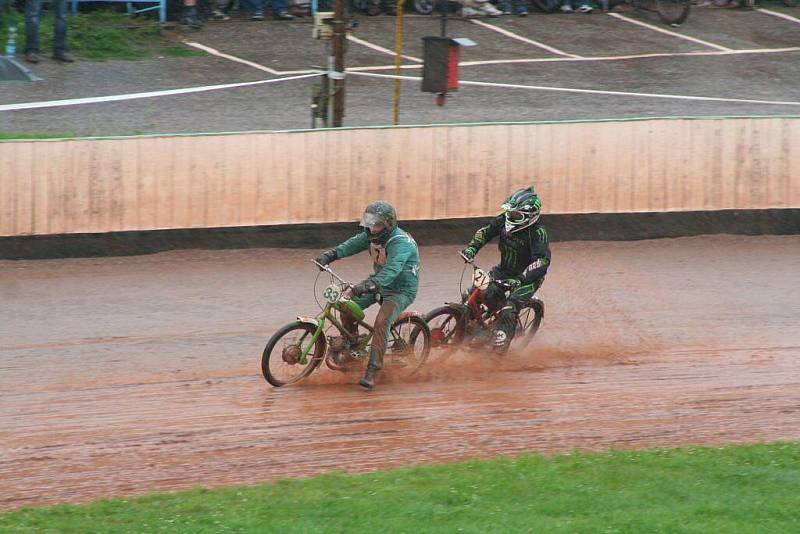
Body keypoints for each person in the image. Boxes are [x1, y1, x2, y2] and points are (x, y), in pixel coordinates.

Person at [315, 201, 420, 389]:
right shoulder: (370, 236)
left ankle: (373, 369)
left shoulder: (400, 243)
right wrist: (330, 255)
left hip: (400, 290)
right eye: (369, 223)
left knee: (381, 322)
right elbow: (350, 245)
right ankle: (352, 344)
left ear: (388, 225)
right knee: (347, 305)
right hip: (378, 282)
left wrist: (368, 285)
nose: (372, 229)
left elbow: (392, 271)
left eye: (376, 224)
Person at [460, 186, 550, 353]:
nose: (510, 217)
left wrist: (521, 279)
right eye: (510, 213)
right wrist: (471, 249)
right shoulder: (503, 220)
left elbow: (542, 261)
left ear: (529, 217)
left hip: (527, 279)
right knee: (471, 295)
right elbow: (485, 232)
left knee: (509, 309)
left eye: (516, 215)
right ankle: (477, 331)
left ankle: (500, 350)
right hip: (504, 270)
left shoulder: (538, 233)